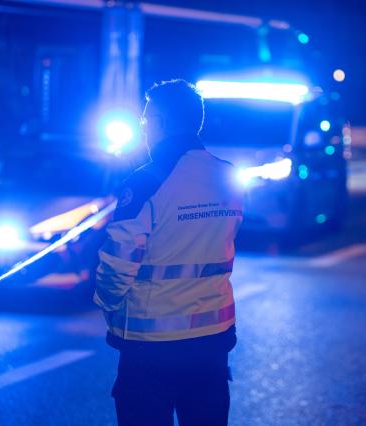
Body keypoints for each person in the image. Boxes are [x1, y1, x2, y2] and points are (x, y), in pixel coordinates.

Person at [94, 79, 243, 426]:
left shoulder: (145, 183)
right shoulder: (229, 176)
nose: (144, 130)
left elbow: (117, 263)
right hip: (212, 341)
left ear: (160, 123)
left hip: (151, 347)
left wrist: (106, 303)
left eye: (145, 122)